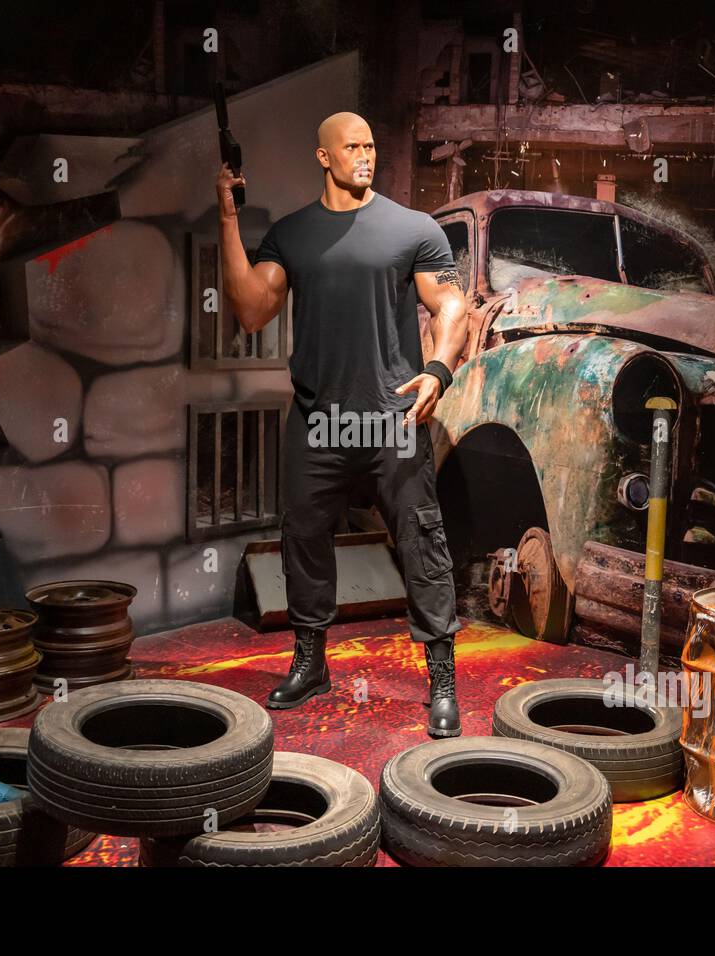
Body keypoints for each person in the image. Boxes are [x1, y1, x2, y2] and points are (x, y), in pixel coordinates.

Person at [215, 111, 469, 737]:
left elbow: (452, 303)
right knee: (303, 537)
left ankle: (441, 678)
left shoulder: (413, 229)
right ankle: (310, 662)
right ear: (324, 157)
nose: (366, 154)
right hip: (318, 417)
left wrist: (438, 367)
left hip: (392, 417)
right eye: (352, 146)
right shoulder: (294, 234)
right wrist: (226, 218)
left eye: (371, 144)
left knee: (422, 540)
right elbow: (250, 310)